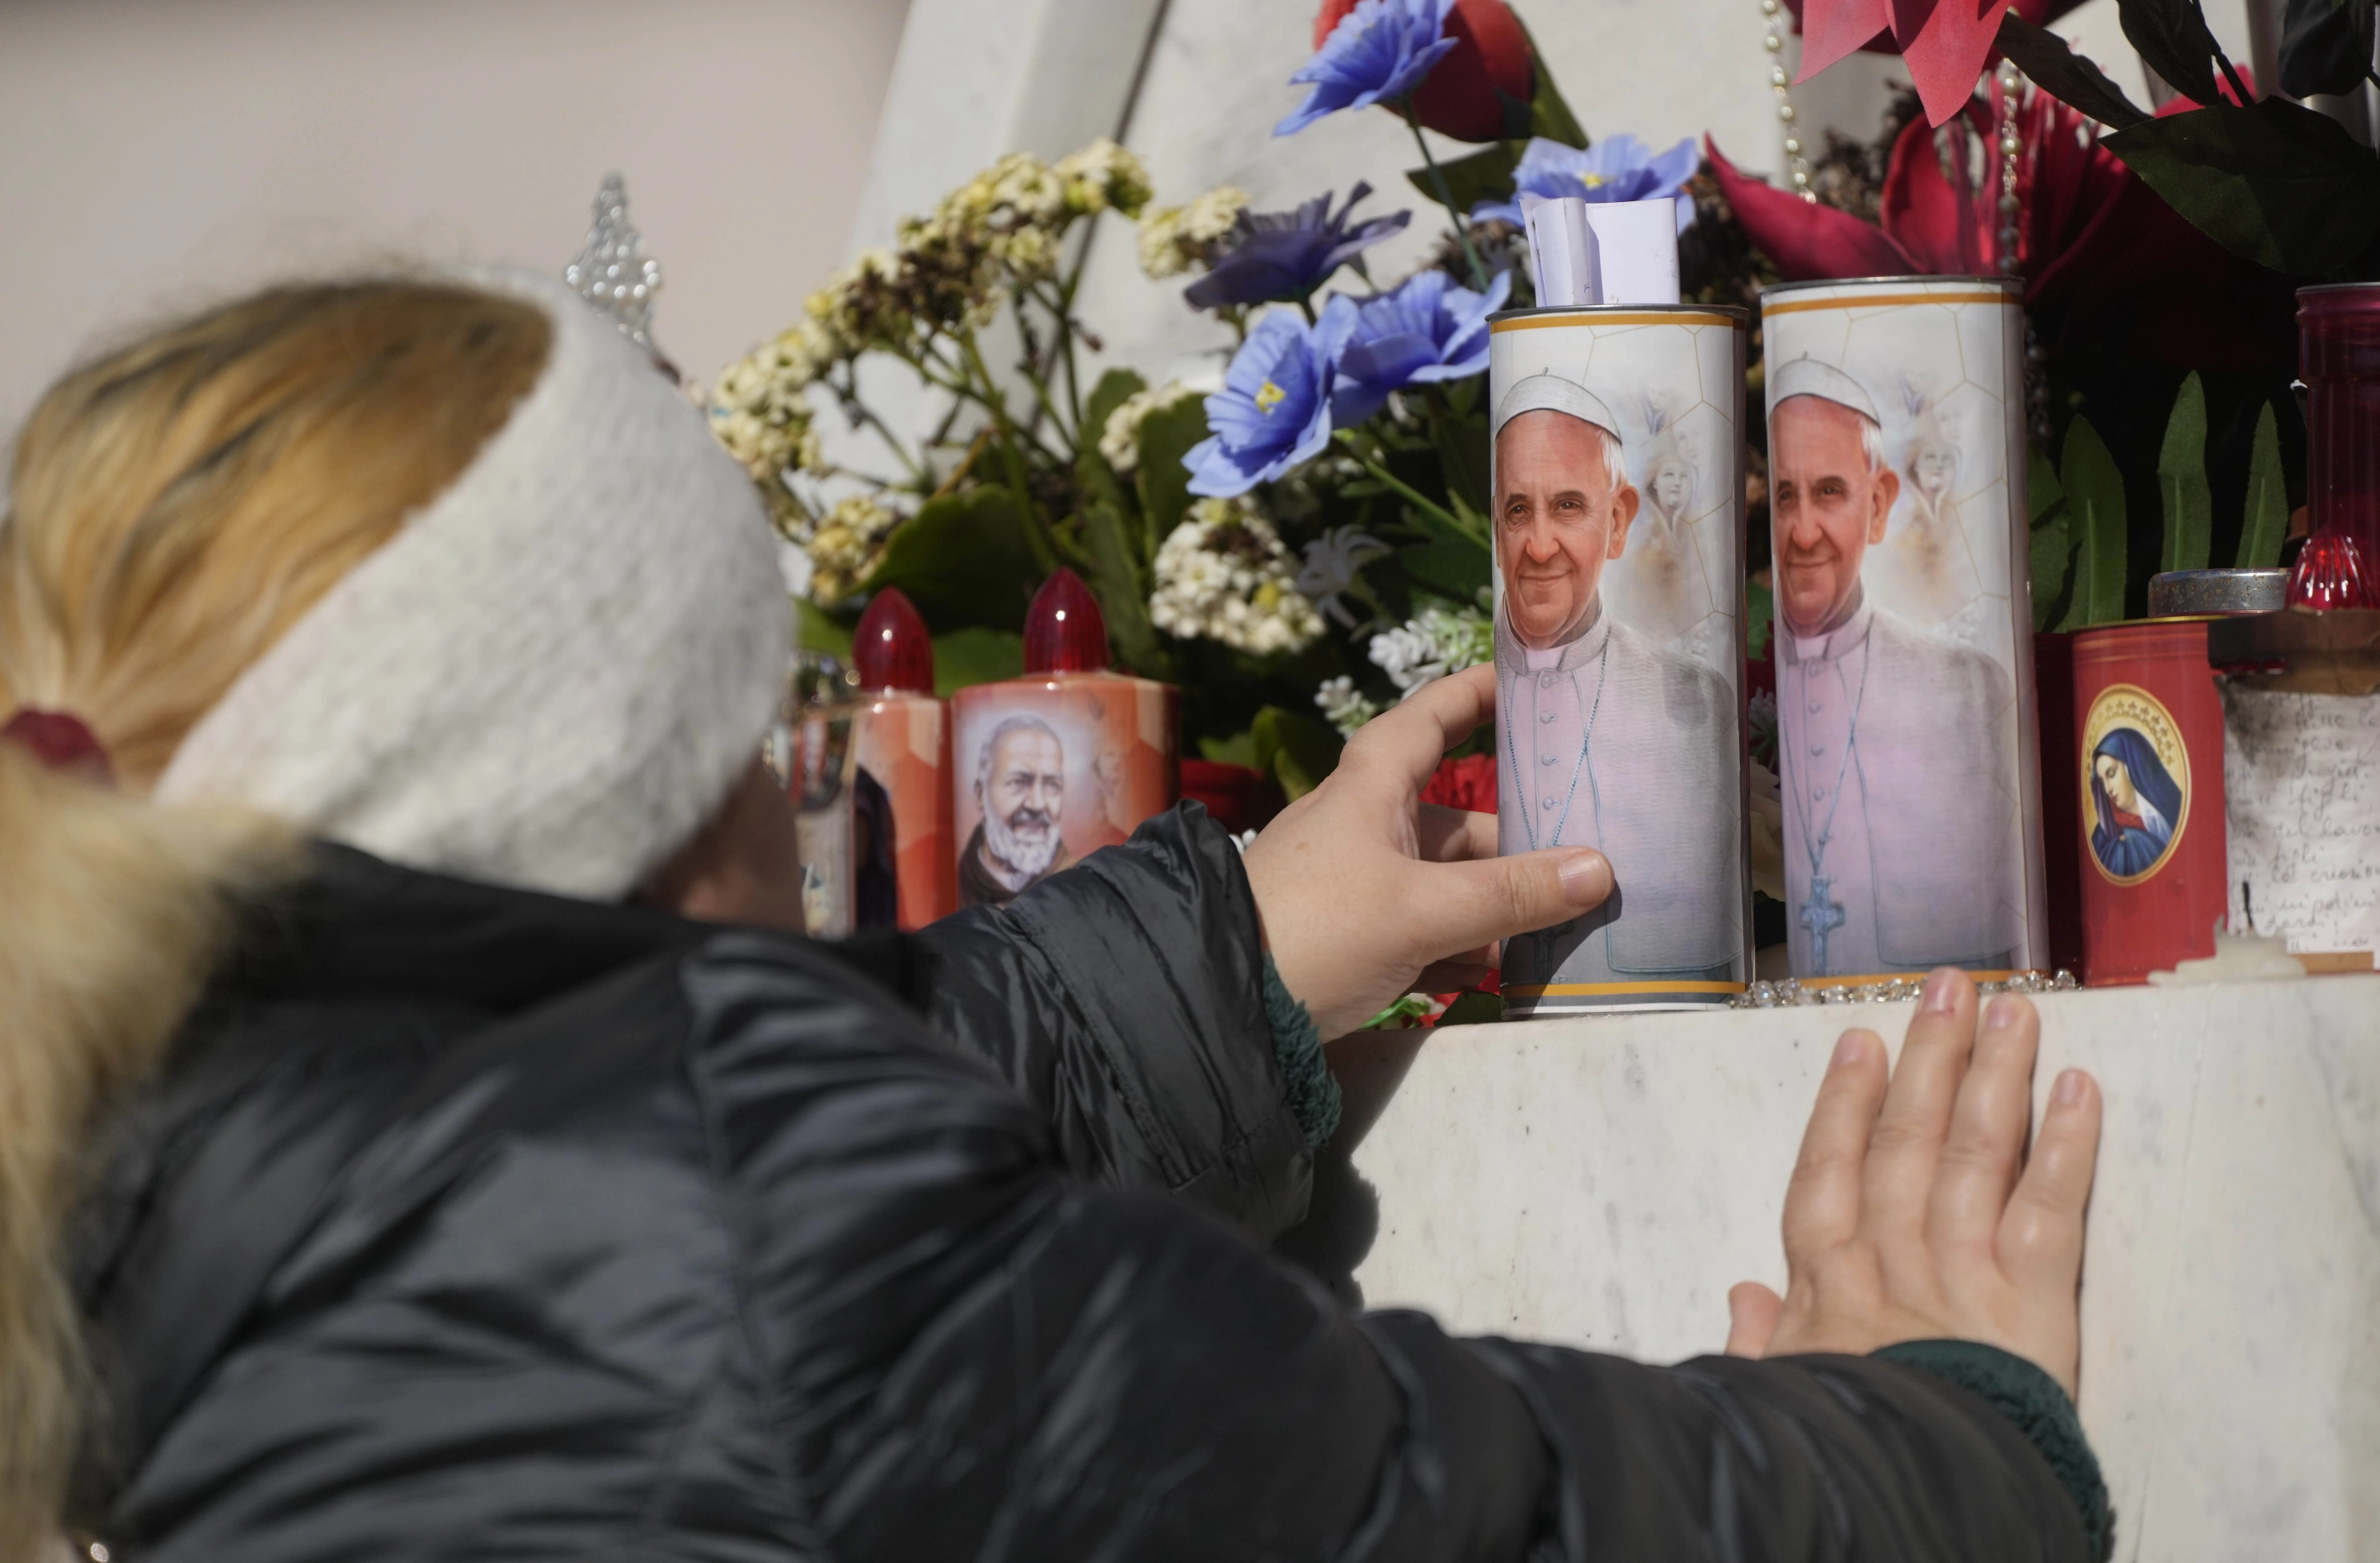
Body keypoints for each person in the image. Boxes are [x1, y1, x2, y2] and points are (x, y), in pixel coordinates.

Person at [1, 274, 2107, 1562]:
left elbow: (661, 1145)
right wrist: (1940, 1440)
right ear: (633, 807)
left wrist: (1221, 955)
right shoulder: (761, 1252)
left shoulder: (157, 1176)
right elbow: (1462, 1516)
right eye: (750, 736)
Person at [1768, 356, 2025, 980]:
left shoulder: (1963, 687)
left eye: (1829, 492)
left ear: (1878, 504)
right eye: (1784, 496)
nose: (1803, 533)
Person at [1490, 373, 1736, 986]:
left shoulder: (1694, 696)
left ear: (1619, 521)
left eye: (1568, 507)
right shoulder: (1456, 701)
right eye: (1518, 510)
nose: (1539, 546)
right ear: (1495, 526)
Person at [956, 713, 1069, 906]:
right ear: (980, 795)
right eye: (1018, 782)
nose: (1037, 804)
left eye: (1052, 785)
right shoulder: (956, 882)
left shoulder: (1077, 885)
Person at [2088, 727, 2182, 879]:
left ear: (2132, 766)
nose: (2107, 790)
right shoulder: (2104, 836)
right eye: (2102, 782)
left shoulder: (2171, 808)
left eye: (2111, 774)